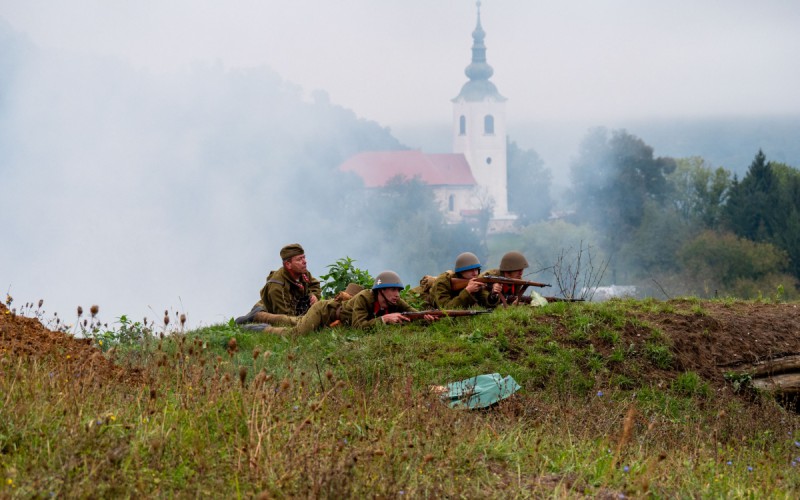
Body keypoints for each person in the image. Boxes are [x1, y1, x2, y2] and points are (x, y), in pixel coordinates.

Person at [258, 271, 436, 335]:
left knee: (292, 321)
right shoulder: (365, 298)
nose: (397, 294)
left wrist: (424, 317)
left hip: (334, 320)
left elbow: (412, 312)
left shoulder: (395, 300)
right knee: (295, 334)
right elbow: (359, 326)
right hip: (325, 312)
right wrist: (384, 320)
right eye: (393, 290)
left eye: (398, 290)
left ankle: (259, 315)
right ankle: (257, 327)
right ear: (381, 291)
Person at [235, 243, 321, 325]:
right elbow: (286, 315)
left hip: (295, 307)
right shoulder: (277, 286)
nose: (304, 262)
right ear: (288, 265)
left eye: (304, 258)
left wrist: (314, 295)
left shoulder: (302, 272)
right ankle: (253, 317)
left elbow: (314, 284)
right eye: (299, 259)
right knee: (284, 321)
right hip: (269, 311)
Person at [429, 252, 498, 309]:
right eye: (470, 270)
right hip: (426, 304)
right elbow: (445, 309)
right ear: (461, 271)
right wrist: (467, 291)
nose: (475, 273)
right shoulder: (443, 282)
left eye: (476, 269)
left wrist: (493, 295)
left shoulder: (474, 281)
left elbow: (486, 304)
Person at [482, 251, 548, 307]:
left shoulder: (517, 281)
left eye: (522, 270)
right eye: (518, 270)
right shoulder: (489, 278)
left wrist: (514, 302)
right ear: (508, 271)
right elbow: (485, 303)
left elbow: (513, 298)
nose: (521, 273)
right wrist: (493, 293)